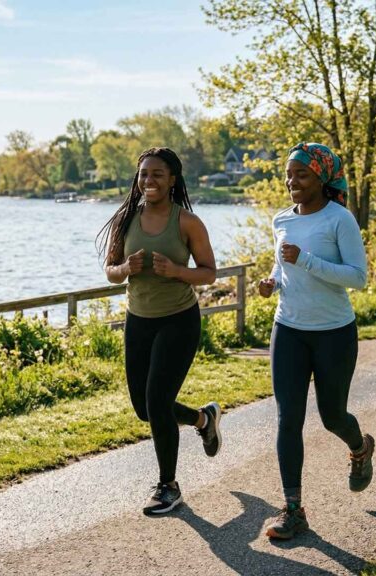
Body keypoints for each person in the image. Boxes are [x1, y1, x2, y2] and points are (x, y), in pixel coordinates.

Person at [97, 147, 224, 516]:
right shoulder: (125, 219)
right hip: (139, 320)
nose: (148, 181)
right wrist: (126, 268)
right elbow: (110, 269)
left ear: (172, 180)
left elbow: (209, 272)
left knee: (156, 400)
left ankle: (168, 486)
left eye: (156, 174)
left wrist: (176, 272)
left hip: (178, 319)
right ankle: (203, 419)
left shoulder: (187, 222)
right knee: (144, 408)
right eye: (143, 175)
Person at [256, 143, 373, 540]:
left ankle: (359, 448)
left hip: (334, 334)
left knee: (332, 416)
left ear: (322, 179)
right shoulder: (281, 219)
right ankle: (293, 510)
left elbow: (358, 277)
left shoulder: (340, 220)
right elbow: (280, 262)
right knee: (288, 418)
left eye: (301, 175)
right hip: (288, 328)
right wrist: (272, 281)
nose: (292, 182)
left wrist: (305, 259)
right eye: (289, 175)